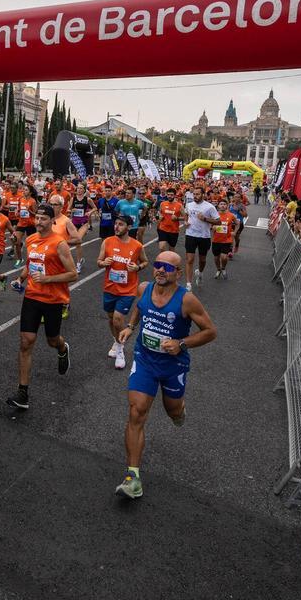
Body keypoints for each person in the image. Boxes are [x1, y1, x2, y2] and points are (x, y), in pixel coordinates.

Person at [115, 250, 217, 499]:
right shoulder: (144, 288)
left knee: (172, 410)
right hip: (145, 360)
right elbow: (139, 308)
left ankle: (179, 410)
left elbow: (210, 331)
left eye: (167, 267)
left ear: (178, 273)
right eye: (158, 265)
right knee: (136, 411)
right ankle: (133, 477)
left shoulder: (187, 300)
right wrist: (130, 326)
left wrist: (182, 343)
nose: (161, 269)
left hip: (173, 366)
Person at [7, 204, 77, 410]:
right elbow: (31, 266)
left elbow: (73, 274)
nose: (38, 222)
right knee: (26, 341)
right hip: (32, 296)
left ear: (51, 221)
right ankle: (23, 392)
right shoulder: (30, 240)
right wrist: (20, 279)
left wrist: (47, 279)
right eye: (36, 218)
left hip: (53, 299)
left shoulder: (59, 243)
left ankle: (63, 349)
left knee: (52, 340)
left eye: (43, 219)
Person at [99, 214, 146, 370]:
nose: (116, 227)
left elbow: (145, 261)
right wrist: (103, 262)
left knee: (119, 319)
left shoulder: (137, 245)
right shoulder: (107, 242)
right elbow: (99, 262)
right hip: (110, 287)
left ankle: (120, 350)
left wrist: (138, 267)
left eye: (120, 224)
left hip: (128, 289)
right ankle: (116, 340)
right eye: (116, 224)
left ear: (129, 227)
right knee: (111, 318)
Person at [183, 187, 220, 289]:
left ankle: (200, 273)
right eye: (194, 194)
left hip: (204, 236)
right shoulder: (189, 205)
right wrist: (185, 221)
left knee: (202, 260)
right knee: (190, 259)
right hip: (190, 234)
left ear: (203, 194)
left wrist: (204, 218)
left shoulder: (209, 207)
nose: (195, 196)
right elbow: (186, 214)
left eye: (198, 194)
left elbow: (218, 221)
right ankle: (188, 284)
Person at [210, 198, 238, 279]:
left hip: (227, 240)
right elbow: (209, 225)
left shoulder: (231, 215)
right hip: (216, 240)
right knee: (216, 257)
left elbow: (237, 223)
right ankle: (218, 269)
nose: (223, 205)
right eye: (221, 204)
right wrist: (212, 227)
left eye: (224, 204)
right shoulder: (214, 215)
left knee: (224, 257)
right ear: (218, 206)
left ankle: (223, 268)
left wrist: (235, 232)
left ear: (227, 206)